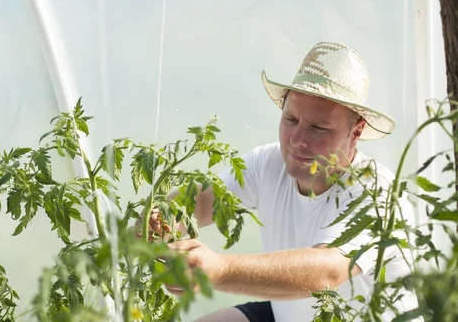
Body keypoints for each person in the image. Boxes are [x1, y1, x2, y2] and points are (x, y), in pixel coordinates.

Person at [147, 42, 420, 321]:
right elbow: (203, 202)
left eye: (317, 128)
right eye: (290, 119)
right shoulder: (268, 163)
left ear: (356, 132)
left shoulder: (376, 192)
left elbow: (325, 273)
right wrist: (160, 218)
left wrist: (219, 270)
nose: (297, 141)